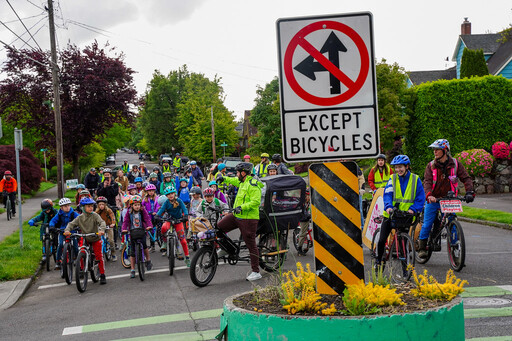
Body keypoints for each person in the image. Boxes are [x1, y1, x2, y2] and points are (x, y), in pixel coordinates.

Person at [417, 139, 474, 258]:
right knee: (427, 224)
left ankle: (454, 246)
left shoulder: (455, 164)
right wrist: (429, 195)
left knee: (452, 219)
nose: (435, 152)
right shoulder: (431, 166)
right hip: (434, 199)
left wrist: (469, 192)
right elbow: (427, 182)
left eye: (437, 149)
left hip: (449, 199)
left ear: (445, 150)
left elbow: (466, 178)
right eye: (434, 149)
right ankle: (422, 246)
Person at [375, 155, 426, 267]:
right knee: (382, 239)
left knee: (403, 246)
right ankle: (378, 262)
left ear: (407, 166)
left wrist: (413, 209)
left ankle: (405, 271)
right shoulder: (392, 179)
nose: (398, 170)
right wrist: (388, 206)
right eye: (396, 167)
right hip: (391, 214)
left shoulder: (415, 179)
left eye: (400, 167)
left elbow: (421, 198)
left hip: (405, 216)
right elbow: (387, 194)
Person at [216, 162, 263, 281]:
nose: (236, 174)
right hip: (237, 215)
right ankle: (228, 249)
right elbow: (233, 181)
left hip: (249, 218)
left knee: (250, 244)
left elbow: (256, 202)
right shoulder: (242, 181)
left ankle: (256, 271)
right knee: (218, 228)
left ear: (243, 173)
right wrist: (223, 178)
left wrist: (242, 207)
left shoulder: (253, 184)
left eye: (237, 172)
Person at [64, 197, 107, 285]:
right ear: (83, 208)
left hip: (95, 238)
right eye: (88, 206)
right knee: (82, 251)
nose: (91, 208)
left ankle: (102, 274)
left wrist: (102, 230)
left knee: (99, 256)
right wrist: (67, 230)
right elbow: (71, 224)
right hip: (85, 238)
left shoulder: (95, 215)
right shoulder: (80, 217)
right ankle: (83, 269)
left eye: (92, 206)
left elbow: (102, 222)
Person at [156, 188, 190, 266]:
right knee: (163, 228)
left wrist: (186, 216)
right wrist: (157, 215)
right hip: (169, 220)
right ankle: (164, 242)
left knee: (183, 241)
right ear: (166, 196)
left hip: (178, 221)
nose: (170, 195)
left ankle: (187, 258)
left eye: (172, 194)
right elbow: (161, 210)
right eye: (168, 194)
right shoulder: (166, 202)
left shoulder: (179, 201)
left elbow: (184, 209)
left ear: (174, 193)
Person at [121, 195, 153, 277]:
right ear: (131, 205)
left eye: (138, 205)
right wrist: (124, 229)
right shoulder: (129, 212)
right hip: (132, 232)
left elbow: (147, 219)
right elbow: (125, 221)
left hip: (141, 231)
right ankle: (132, 269)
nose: (137, 206)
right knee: (132, 251)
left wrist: (149, 226)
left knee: (145, 245)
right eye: (135, 205)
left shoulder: (143, 211)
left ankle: (148, 260)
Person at [50, 198, 80, 269]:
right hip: (62, 232)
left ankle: (77, 259)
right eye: (65, 206)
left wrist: (80, 226)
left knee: (76, 246)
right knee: (60, 245)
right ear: (61, 207)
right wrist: (52, 226)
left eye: (68, 205)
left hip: (72, 232)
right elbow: (53, 221)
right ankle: (57, 261)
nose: (67, 207)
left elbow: (80, 219)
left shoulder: (73, 213)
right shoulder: (59, 214)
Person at [95, 196, 117, 261]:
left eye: (103, 204)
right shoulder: (96, 212)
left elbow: (112, 217)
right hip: (101, 227)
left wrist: (113, 223)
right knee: (97, 240)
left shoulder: (108, 210)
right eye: (100, 205)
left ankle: (113, 254)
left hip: (108, 226)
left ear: (105, 205)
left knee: (111, 240)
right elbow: (94, 219)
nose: (101, 206)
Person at [142, 184, 160, 252]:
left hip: (156, 215)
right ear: (147, 192)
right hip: (149, 216)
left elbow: (158, 205)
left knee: (158, 228)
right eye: (149, 191)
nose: (151, 192)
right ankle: (152, 246)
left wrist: (155, 212)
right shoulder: (146, 199)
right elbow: (142, 205)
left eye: (152, 191)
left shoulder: (157, 198)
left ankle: (160, 239)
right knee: (151, 231)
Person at [297, 189, 311, 255]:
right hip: (303, 219)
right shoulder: (302, 203)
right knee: (303, 234)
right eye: (308, 196)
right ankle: (299, 248)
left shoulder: (309, 202)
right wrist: (308, 216)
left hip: (308, 218)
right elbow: (304, 213)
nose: (309, 198)